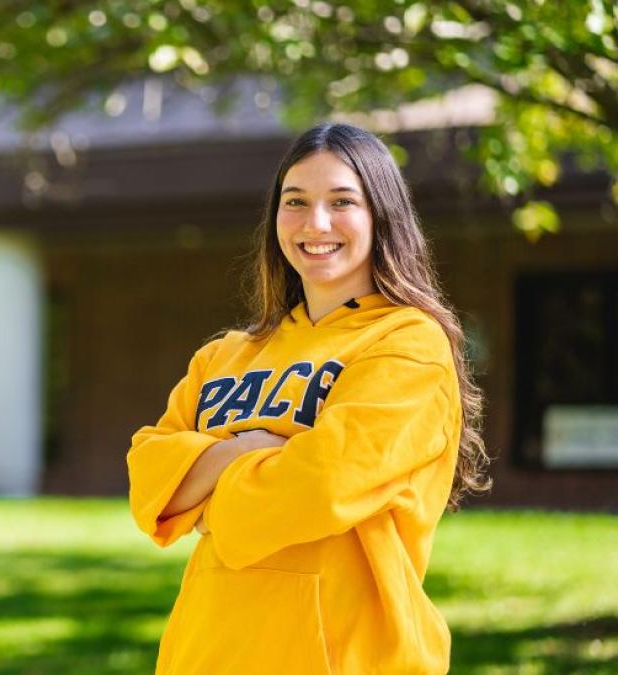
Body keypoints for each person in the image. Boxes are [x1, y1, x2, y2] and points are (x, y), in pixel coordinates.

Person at [128, 123, 491, 674]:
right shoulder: (225, 355)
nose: (315, 223)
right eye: (295, 201)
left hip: (345, 657)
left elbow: (321, 485)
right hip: (205, 651)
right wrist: (251, 448)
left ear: (381, 215)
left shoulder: (407, 343)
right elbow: (148, 476)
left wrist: (205, 497)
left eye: (342, 201)